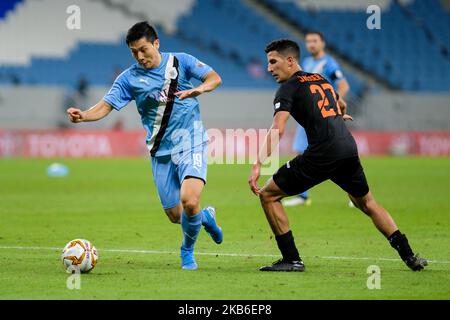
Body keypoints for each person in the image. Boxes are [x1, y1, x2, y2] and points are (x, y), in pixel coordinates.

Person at [248, 39, 427, 272]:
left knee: (268, 195)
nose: (269, 68)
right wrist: (340, 115)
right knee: (366, 202)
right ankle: (409, 255)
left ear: (290, 60)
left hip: (322, 153)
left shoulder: (288, 88)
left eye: (273, 62)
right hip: (347, 148)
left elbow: (278, 128)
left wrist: (258, 162)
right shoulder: (320, 79)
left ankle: (292, 259)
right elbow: (339, 101)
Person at [67, 21, 223, 270]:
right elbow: (107, 104)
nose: (140, 56)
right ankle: (206, 217)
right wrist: (84, 115)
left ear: (156, 43)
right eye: (134, 52)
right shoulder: (129, 78)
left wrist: (200, 89)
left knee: (190, 200)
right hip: (159, 152)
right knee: (176, 215)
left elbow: (214, 78)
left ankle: (187, 251)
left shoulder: (180, 62)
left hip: (191, 143)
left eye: (143, 49)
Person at [283, 31, 350, 207]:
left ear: (323, 43)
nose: (311, 44)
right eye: (308, 41)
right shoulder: (306, 62)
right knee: (299, 151)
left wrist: (335, 103)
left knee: (335, 156)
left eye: (315, 41)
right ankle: (303, 196)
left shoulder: (329, 64)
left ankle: (354, 194)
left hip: (323, 117)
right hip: (307, 115)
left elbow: (343, 85)